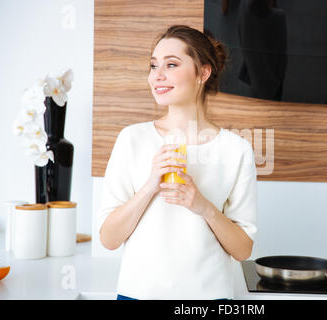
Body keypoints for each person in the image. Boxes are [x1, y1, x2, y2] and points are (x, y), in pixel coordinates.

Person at [97, 25, 257, 300]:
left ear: (203, 73)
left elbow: (243, 250)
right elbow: (109, 239)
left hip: (209, 298)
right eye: (153, 65)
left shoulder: (236, 150)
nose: (157, 76)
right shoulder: (132, 139)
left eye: (171, 64)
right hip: (138, 294)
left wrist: (203, 206)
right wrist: (149, 186)